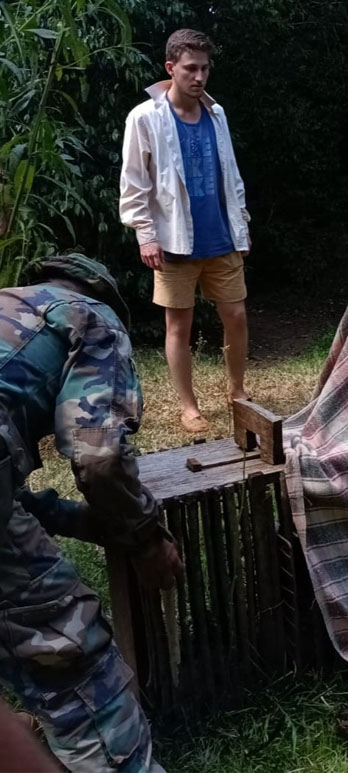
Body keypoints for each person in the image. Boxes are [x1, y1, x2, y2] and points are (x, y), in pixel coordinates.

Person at [0, 253, 183, 772]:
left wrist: (86, 522)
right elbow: (99, 454)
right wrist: (146, 539)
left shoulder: (10, 307)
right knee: (71, 660)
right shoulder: (91, 317)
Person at [119, 28, 251, 434]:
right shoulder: (145, 117)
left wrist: (242, 225)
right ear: (170, 68)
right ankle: (189, 407)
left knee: (236, 315)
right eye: (191, 68)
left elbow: (231, 174)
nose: (199, 76)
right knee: (179, 326)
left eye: (205, 68)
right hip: (173, 240)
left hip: (221, 236)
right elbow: (134, 182)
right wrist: (145, 234)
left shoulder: (217, 114)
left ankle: (237, 392)